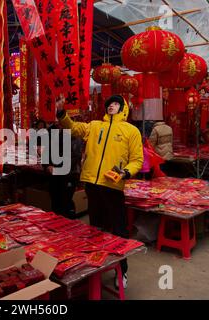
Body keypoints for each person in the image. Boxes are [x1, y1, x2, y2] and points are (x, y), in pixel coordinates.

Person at [55, 94, 143, 290]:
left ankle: (122, 270)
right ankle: (94, 268)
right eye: (109, 104)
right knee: (95, 229)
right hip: (92, 184)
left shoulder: (131, 131)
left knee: (119, 231)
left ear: (122, 108)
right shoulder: (95, 126)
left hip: (113, 186)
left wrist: (126, 172)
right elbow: (74, 128)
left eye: (115, 104)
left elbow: (137, 159)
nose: (111, 106)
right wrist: (62, 113)